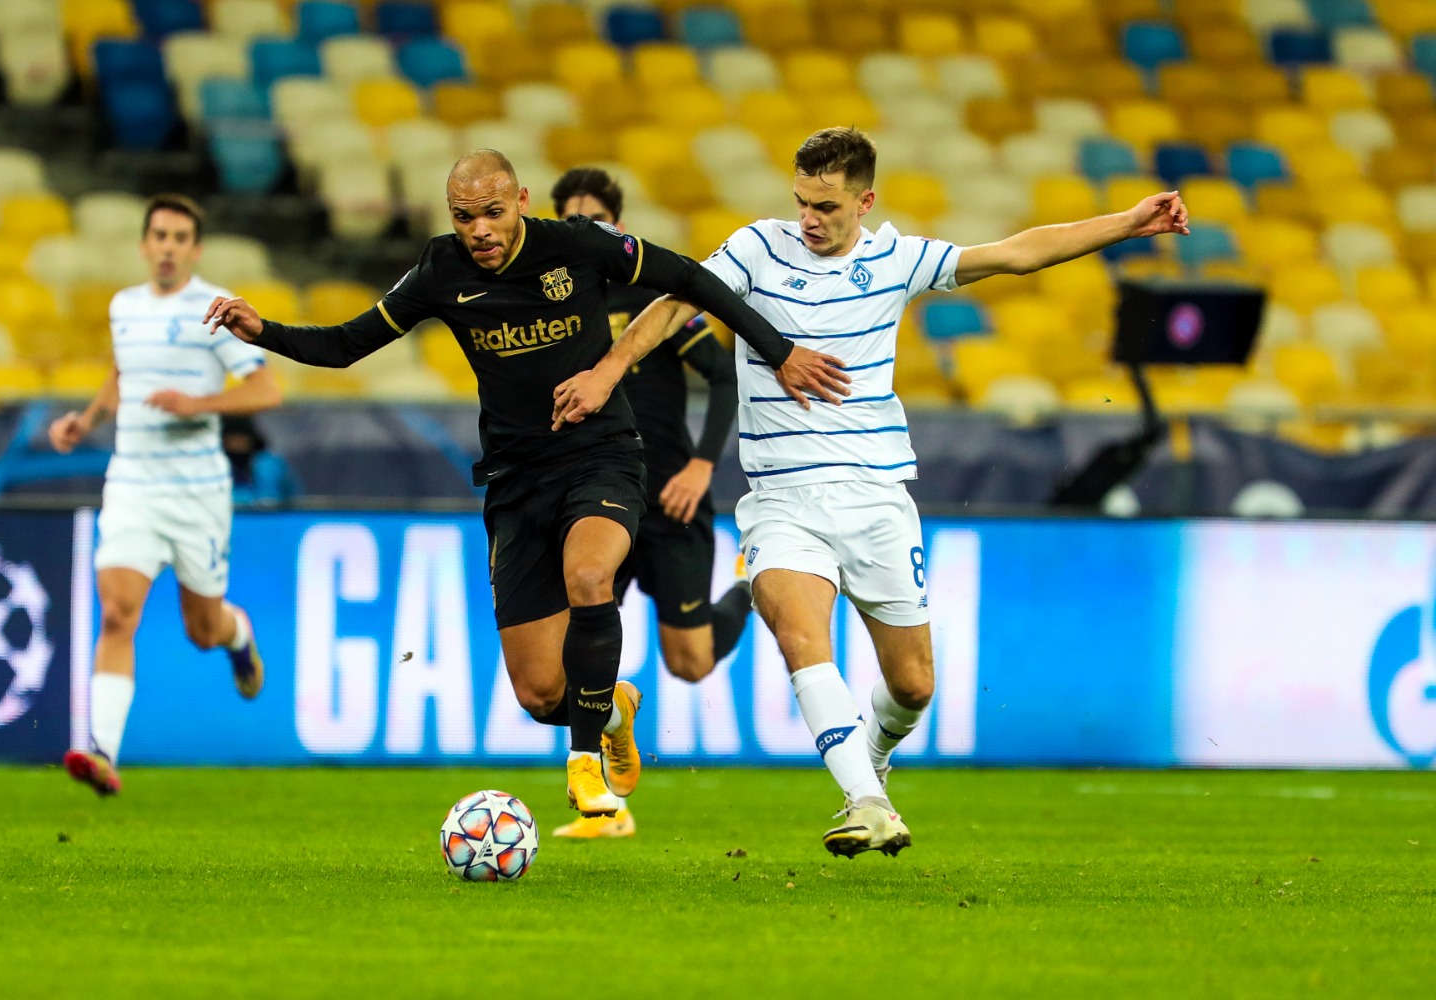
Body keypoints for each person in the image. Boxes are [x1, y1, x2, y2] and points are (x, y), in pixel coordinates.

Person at [552, 127, 1190, 855]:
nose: (808, 218)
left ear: (865, 200)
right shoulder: (759, 249)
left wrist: (1129, 223)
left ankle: (875, 762)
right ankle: (865, 801)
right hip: (783, 499)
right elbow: (671, 304)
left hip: (877, 496)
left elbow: (1017, 253)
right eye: (800, 201)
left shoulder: (898, 259)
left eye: (824, 206)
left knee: (913, 683)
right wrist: (607, 371)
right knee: (802, 640)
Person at [202, 150, 849, 819]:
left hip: (601, 458)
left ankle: (585, 764)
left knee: (593, 579)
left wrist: (781, 352)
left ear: (521, 201)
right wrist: (265, 331)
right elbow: (344, 344)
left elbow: (689, 277)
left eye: (491, 212)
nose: (478, 230)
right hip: (515, 483)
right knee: (540, 694)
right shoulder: (440, 269)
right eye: (463, 217)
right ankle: (613, 710)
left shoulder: (576, 246)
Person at [50, 193, 282, 796]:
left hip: (197, 492)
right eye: (160, 235)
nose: (169, 247)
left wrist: (197, 404)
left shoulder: (213, 308)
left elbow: (267, 389)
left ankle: (238, 635)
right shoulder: (123, 307)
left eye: (181, 237)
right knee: (119, 611)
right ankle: (102, 752)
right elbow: (124, 372)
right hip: (132, 482)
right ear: (144, 245)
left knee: (200, 629)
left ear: (195, 250)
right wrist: (87, 418)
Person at [547, 167, 754, 840]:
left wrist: (701, 465)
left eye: (594, 222)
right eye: (569, 221)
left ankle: (748, 586)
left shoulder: (653, 298)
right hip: (601, 500)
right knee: (563, 664)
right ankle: (607, 807)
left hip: (670, 500)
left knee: (690, 664)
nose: (582, 234)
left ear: (618, 227)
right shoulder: (547, 307)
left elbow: (723, 377)